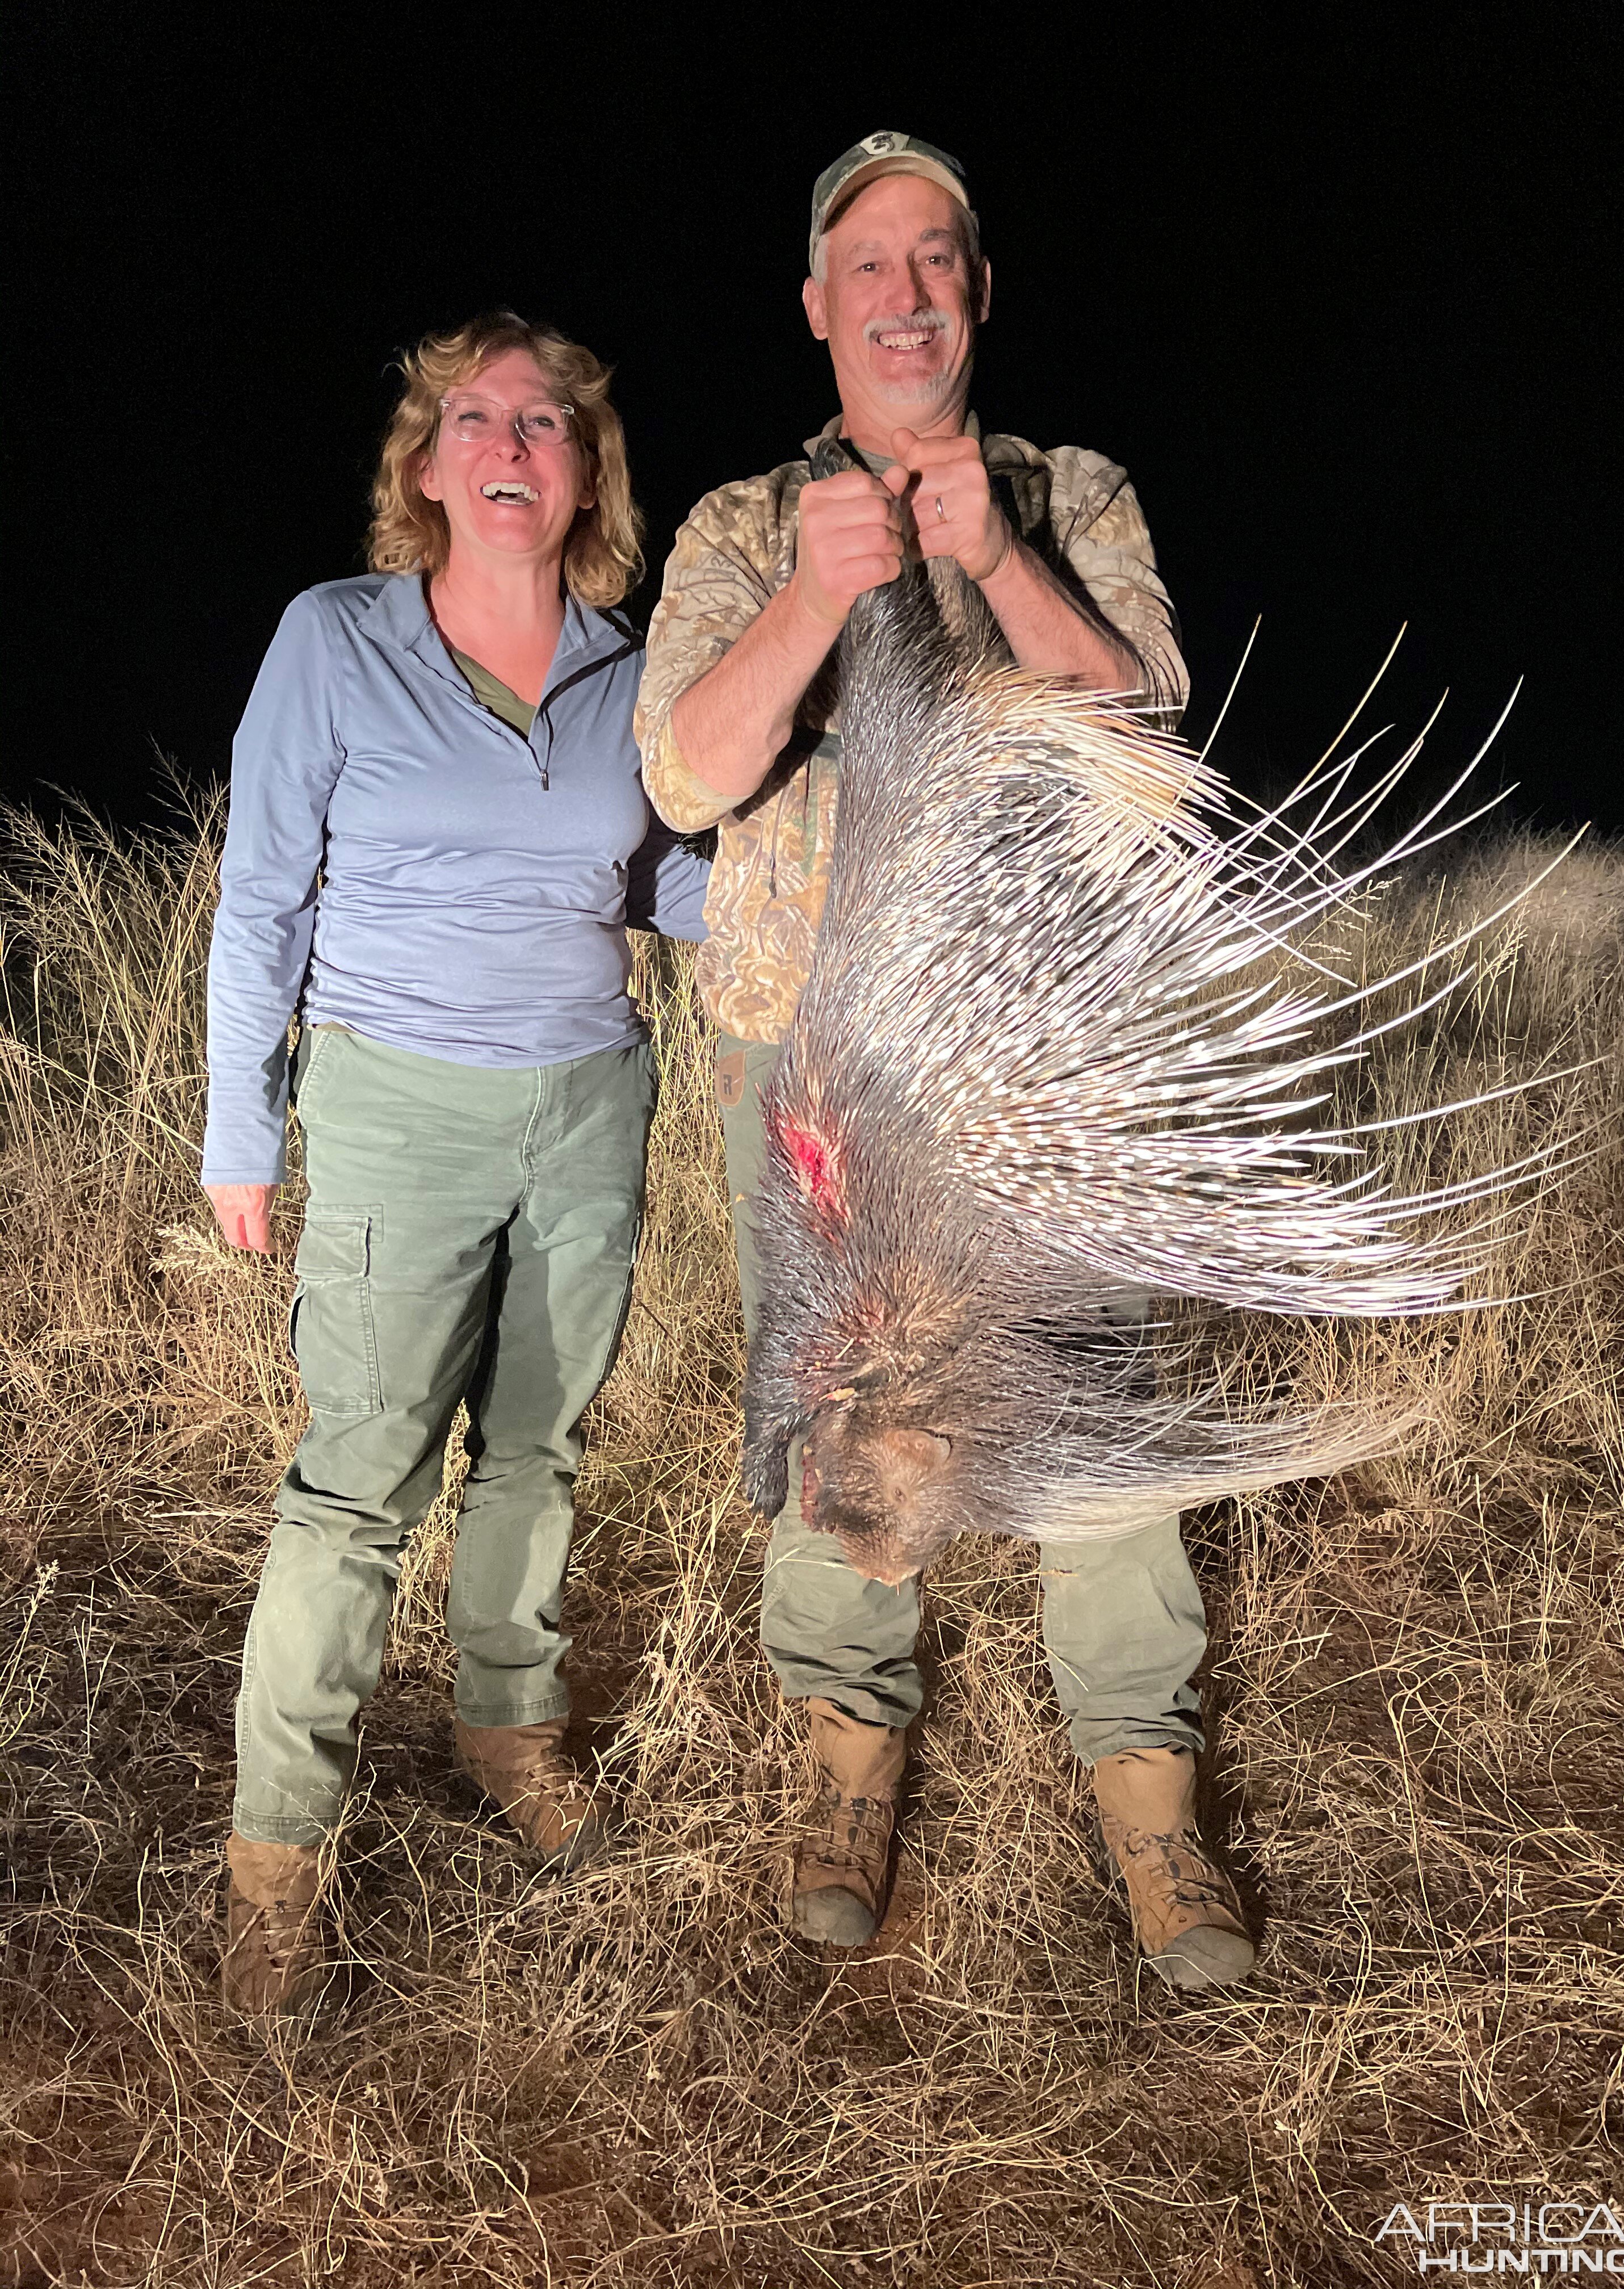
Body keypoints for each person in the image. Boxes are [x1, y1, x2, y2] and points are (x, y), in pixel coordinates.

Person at [637, 135, 1254, 1990]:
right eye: (867, 267)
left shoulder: (1072, 493)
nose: (904, 295)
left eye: (937, 261)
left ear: (976, 297)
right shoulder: (746, 526)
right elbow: (682, 775)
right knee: (844, 1406)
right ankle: (850, 1752)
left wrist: (992, 555)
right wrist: (818, 600)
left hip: (1034, 1058)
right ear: (820, 312)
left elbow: (1159, 746)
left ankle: (1146, 1788)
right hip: (815, 1065)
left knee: (1091, 1405)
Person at [203, 312, 709, 2016]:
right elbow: (265, 890)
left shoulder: (631, 668)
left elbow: (666, 884)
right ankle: (276, 1853)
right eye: (474, 417)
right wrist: (236, 1127)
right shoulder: (336, 640)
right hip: (392, 1105)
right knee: (358, 1485)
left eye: (548, 421)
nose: (512, 442)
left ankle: (508, 1728)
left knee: (541, 1454)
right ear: (424, 464)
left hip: (588, 1101)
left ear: (587, 473)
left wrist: (808, 883)